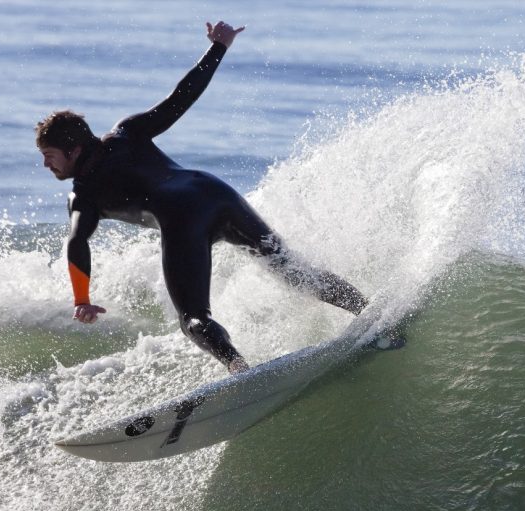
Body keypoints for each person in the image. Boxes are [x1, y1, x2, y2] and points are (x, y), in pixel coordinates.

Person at [36, 21, 367, 373]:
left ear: (73, 151)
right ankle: (371, 311)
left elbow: (77, 242)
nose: (46, 165)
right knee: (292, 270)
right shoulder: (127, 132)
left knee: (193, 317)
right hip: (214, 191)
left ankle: (239, 369)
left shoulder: (83, 195)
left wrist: (83, 299)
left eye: (50, 156)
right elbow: (180, 98)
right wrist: (219, 46)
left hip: (182, 218)